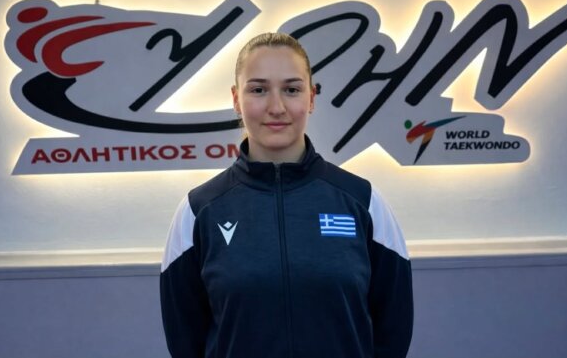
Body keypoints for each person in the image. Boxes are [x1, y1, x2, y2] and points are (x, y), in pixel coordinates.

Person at [160, 32, 413, 358]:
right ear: (236, 99)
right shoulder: (199, 211)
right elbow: (185, 339)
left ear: (311, 98)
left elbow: (393, 330)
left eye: (292, 90)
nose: (276, 107)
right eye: (258, 90)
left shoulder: (363, 202)